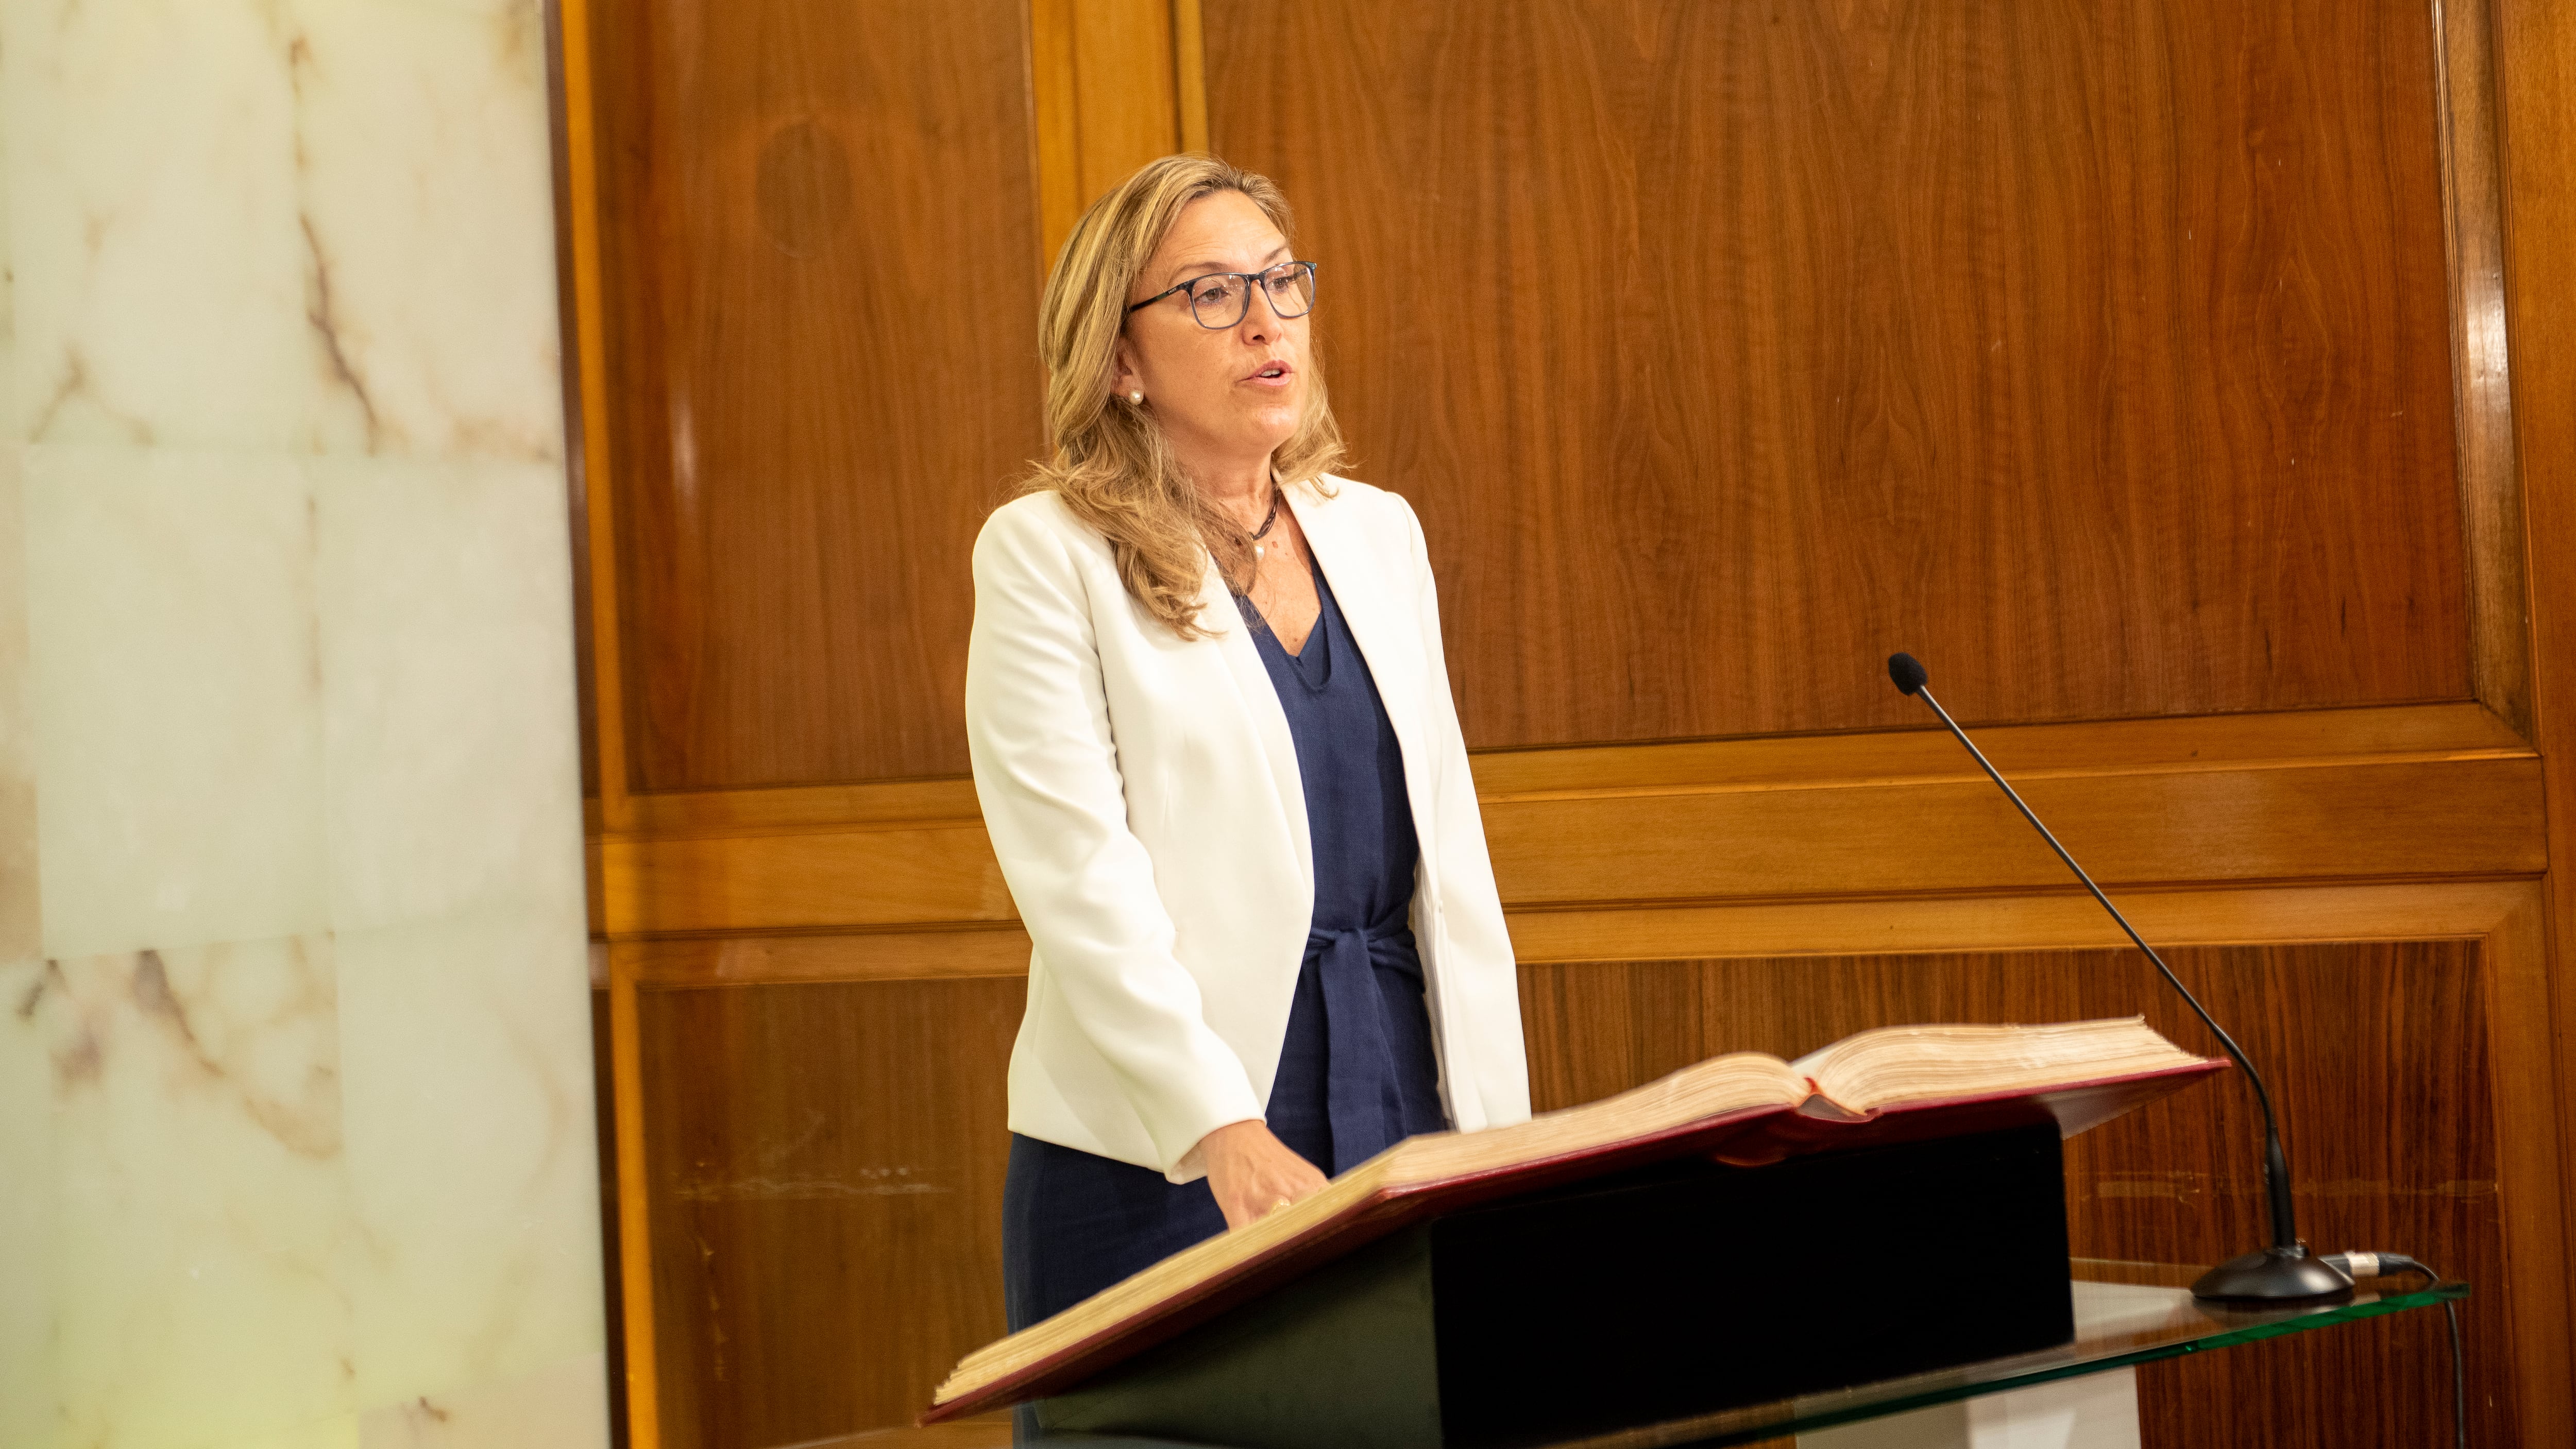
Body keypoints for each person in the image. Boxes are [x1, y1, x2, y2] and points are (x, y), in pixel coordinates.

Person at [963, 153, 1529, 1386]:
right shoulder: (1046, 553)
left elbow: (1449, 856)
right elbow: (1077, 881)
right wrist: (1216, 1124)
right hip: (1162, 1148)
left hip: (1399, 1097)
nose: (1266, 320)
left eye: (1282, 282)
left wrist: (1503, 1137)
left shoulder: (1377, 532)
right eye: (1212, 295)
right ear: (1119, 357)